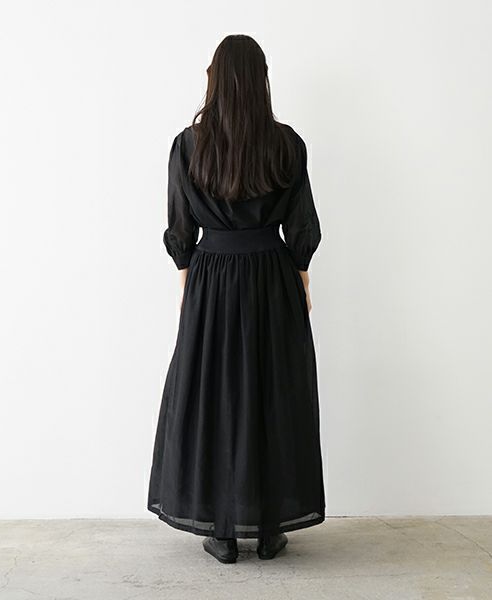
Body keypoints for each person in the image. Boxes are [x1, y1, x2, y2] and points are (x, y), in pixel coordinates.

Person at [148, 34, 326, 564]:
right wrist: (302, 276)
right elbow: (301, 222)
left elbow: (180, 225)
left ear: (215, 80)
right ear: (261, 81)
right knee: (274, 393)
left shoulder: (189, 145)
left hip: (211, 279)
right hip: (273, 275)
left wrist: (187, 280)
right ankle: (269, 531)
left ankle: (222, 532)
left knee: (214, 396)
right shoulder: (286, 144)